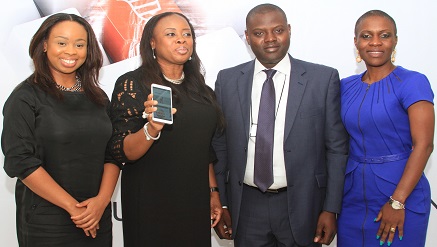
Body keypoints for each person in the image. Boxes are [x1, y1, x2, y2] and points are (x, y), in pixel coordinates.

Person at [212, 3, 349, 247]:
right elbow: (220, 147)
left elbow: (336, 149)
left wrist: (331, 208)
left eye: (277, 30)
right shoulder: (227, 80)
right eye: (259, 33)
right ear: (247, 37)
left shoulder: (322, 79)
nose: (270, 39)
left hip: (304, 204)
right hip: (247, 206)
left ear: (289, 30)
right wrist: (222, 203)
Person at [1, 13, 121, 247]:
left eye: (80, 44)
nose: (71, 51)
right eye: (62, 42)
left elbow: (112, 153)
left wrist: (101, 201)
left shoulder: (98, 97)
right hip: (48, 221)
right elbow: (21, 161)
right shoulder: (25, 97)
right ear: (45, 45)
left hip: (97, 217)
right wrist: (72, 207)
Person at [107, 12, 224, 246]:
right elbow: (123, 151)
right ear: (152, 42)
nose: (181, 40)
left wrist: (213, 191)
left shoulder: (202, 90)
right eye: (171, 34)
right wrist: (151, 129)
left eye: (186, 34)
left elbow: (205, 149)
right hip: (150, 201)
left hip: (193, 199)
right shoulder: (132, 84)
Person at [337, 10, 434, 247]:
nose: (376, 42)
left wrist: (397, 201)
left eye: (384, 35)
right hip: (352, 198)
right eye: (367, 36)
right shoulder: (344, 86)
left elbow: (424, 145)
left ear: (395, 41)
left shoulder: (412, 82)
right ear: (356, 42)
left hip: (400, 194)